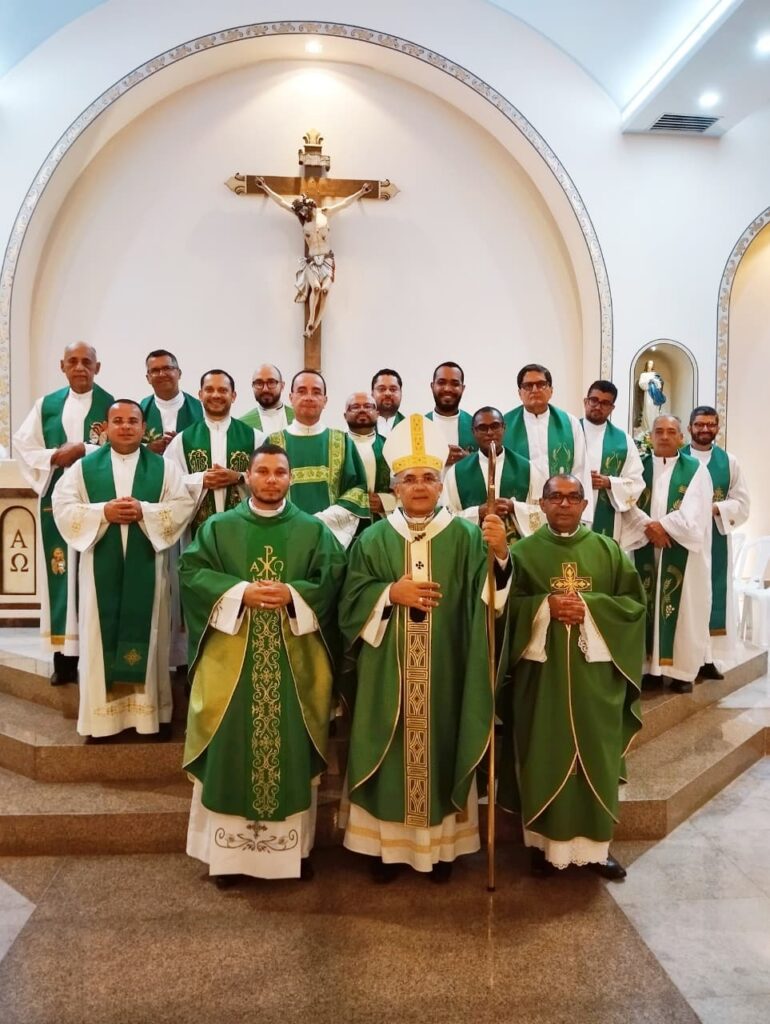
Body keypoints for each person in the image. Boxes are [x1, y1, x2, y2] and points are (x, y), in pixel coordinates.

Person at [339, 414, 511, 882]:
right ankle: (385, 850)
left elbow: (491, 603)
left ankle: (442, 850)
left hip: (447, 671)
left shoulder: (468, 536)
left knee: (443, 746)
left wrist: (500, 556)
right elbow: (348, 603)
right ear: (395, 487)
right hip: (386, 674)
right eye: (410, 479)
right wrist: (388, 594)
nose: (419, 486)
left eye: (429, 478)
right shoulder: (373, 538)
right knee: (388, 748)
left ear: (441, 486)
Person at [179, 443, 347, 883]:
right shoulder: (218, 527)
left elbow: (332, 580)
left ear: (290, 478)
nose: (272, 480)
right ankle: (227, 859)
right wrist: (240, 593)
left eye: (280, 472)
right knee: (230, 746)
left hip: (295, 665)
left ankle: (291, 854)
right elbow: (191, 573)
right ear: (248, 477)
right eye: (263, 471)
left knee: (290, 748)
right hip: (231, 663)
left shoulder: (313, 530)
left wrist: (293, 594)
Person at [498, 474, 645, 879]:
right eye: (555, 497)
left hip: (595, 684)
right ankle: (542, 847)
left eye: (572, 497)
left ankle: (597, 850)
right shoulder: (522, 553)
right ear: (541, 504)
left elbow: (634, 607)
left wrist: (591, 608)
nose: (564, 504)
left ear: (584, 504)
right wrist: (544, 606)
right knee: (542, 756)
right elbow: (501, 613)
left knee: (596, 760)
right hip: (540, 683)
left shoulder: (608, 550)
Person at [51, 400, 195, 738]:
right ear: (106, 427)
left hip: (150, 571)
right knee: (98, 638)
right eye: (118, 421)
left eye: (133, 421)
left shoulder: (164, 468)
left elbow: (182, 505)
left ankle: (151, 719)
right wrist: (103, 512)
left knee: (152, 634)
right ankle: (102, 723)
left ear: (144, 428)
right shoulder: (84, 468)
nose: (126, 426)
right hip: (98, 573)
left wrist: (144, 511)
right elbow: (63, 506)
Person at [13, 342, 114, 685]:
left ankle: (97, 656)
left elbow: (125, 446)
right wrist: (55, 457)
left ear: (97, 367)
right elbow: (24, 445)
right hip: (56, 502)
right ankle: (64, 660)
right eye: (73, 361)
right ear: (62, 366)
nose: (80, 367)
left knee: (94, 576)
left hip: (97, 502)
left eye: (87, 361)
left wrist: (84, 448)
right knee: (61, 574)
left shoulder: (112, 405)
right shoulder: (47, 406)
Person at [620, 415, 713, 693]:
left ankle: (683, 671)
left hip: (682, 551)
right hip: (644, 545)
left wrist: (662, 527)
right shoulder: (638, 468)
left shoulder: (696, 470)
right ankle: (650, 668)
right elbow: (627, 503)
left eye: (671, 431)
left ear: (681, 437)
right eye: (658, 431)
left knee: (685, 609)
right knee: (644, 602)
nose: (664, 436)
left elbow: (696, 513)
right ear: (650, 436)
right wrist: (648, 528)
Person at [255, 176, 371, 337]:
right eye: (303, 209)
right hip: (312, 260)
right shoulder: (302, 219)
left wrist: (361, 192)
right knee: (316, 289)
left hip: (327, 259)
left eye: (306, 207)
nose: (305, 211)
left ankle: (315, 325)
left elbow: (345, 204)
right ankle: (310, 321)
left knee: (325, 291)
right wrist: (265, 187)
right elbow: (281, 202)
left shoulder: (325, 213)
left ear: (312, 206)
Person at [267, 370, 369, 548]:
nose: (309, 397)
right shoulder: (273, 443)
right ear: (291, 397)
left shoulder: (342, 442)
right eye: (301, 391)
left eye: (316, 392)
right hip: (284, 537)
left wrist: (322, 520)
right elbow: (262, 491)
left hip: (330, 539)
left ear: (325, 400)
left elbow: (358, 490)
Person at [682, 406, 750, 677]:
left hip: (715, 540)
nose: (705, 429)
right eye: (699, 424)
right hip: (684, 539)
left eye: (710, 424)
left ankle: (708, 659)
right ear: (689, 427)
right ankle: (685, 656)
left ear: (717, 428)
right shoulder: (677, 458)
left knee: (712, 594)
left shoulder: (729, 462)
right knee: (688, 596)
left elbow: (742, 503)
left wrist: (715, 508)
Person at [164, 369, 263, 540]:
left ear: (233, 396)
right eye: (209, 390)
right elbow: (168, 484)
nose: (216, 395)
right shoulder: (181, 441)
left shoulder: (256, 438)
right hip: (197, 534)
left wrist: (239, 477)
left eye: (223, 390)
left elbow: (267, 480)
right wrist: (201, 480)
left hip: (244, 531)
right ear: (200, 395)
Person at [503, 363, 593, 521]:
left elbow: (580, 470)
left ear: (551, 390)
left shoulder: (570, 423)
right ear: (519, 393)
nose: (535, 390)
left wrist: (581, 516)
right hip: (519, 509)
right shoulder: (504, 425)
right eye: (528, 386)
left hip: (561, 506)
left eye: (541, 384)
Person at [442, 406, 544, 544]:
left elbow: (544, 511)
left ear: (504, 428)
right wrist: (478, 512)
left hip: (516, 550)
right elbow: (446, 516)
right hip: (474, 549)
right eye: (482, 428)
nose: (489, 432)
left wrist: (514, 507)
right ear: (473, 432)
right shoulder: (455, 473)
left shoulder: (528, 468)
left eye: (495, 426)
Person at [580, 380, 644, 541]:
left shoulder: (624, 441)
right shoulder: (569, 431)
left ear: (612, 408)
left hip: (606, 513)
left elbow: (636, 482)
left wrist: (608, 482)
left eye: (605, 403)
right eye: (594, 400)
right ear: (585, 401)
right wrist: (581, 479)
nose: (598, 406)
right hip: (571, 507)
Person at [344, 391, 396, 526]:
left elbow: (404, 486)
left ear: (377, 413)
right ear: (345, 415)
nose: (362, 410)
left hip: (380, 523)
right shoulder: (336, 445)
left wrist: (385, 501)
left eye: (368, 406)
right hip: (344, 522)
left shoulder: (389, 446)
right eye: (355, 407)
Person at [140, 349, 203, 454]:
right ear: (148, 378)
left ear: (179, 373)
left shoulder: (201, 408)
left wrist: (184, 444)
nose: (162, 374)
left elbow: (212, 443)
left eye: (167, 368)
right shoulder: (138, 409)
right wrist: (147, 449)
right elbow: (126, 446)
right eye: (155, 370)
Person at [425, 361, 476, 466]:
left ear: (462, 388)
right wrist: (435, 459)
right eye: (441, 382)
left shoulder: (477, 426)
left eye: (455, 384)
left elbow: (490, 463)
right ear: (432, 386)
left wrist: (468, 459)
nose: (447, 389)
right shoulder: (418, 425)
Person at [239, 363, 295, 432]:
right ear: (253, 386)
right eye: (259, 383)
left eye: (271, 382)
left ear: (282, 386)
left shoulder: (300, 419)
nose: (265, 389)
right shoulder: (242, 426)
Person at [371, 368, 404, 436]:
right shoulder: (360, 427)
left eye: (393, 389)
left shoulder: (409, 427)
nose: (387, 393)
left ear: (401, 393)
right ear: (372, 394)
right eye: (382, 389)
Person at [637, 359, 666, 434]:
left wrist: (656, 382)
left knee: (655, 411)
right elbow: (641, 384)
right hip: (648, 394)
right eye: (649, 363)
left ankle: (654, 428)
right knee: (648, 410)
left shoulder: (655, 374)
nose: (650, 365)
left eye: (652, 364)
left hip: (655, 395)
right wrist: (649, 382)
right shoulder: (643, 375)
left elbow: (659, 385)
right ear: (646, 364)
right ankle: (648, 429)